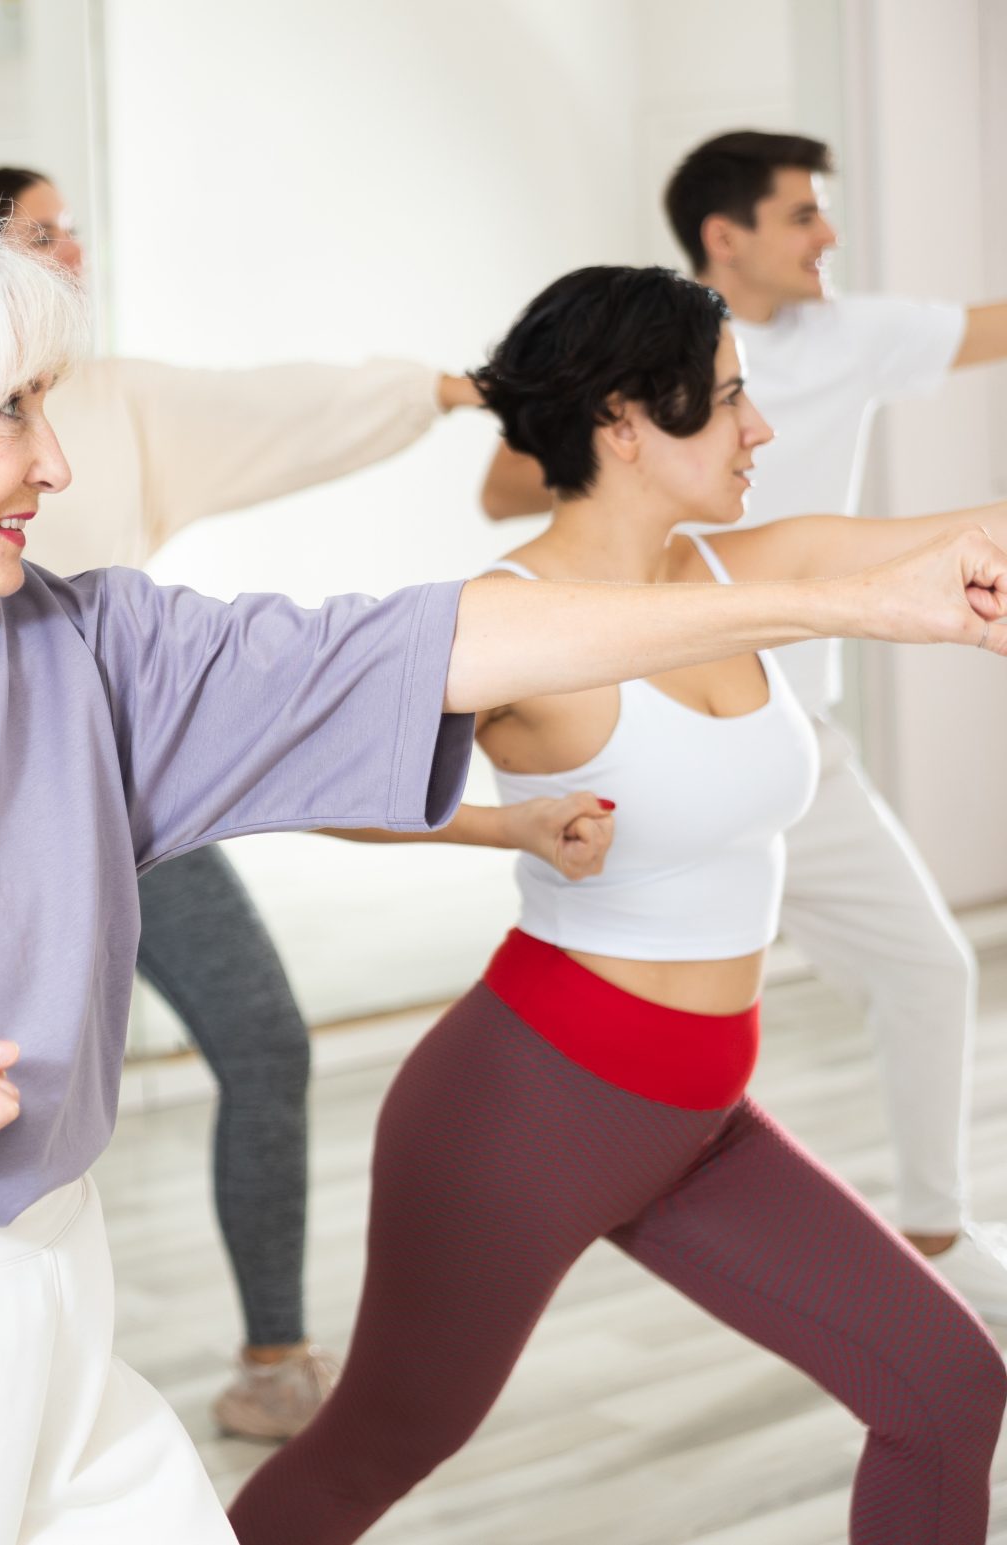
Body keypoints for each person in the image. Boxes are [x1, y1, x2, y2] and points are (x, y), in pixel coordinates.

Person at [0, 203, 1007, 1543]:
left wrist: (860, 600)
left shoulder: (92, 649)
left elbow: (450, 637)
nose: (56, 459)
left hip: (58, 1297)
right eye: (10, 411)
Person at [231, 265, 1007, 1545]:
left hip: (698, 1119)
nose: (759, 430)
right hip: (524, 1110)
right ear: (623, 422)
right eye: (728, 403)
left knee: (945, 1384)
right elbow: (300, 771)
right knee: (376, 1446)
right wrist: (499, 823)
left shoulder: (747, 570)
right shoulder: (507, 619)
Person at [0, 166, 499, 1437]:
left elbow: (279, 409)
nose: (71, 253)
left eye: (71, 232)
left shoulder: (119, 399)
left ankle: (271, 1359)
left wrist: (446, 389)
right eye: (41, 236)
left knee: (263, 1039)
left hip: (127, 817)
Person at [481, 131, 1007, 1317]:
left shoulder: (840, 358)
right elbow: (514, 498)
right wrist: (496, 829)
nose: (826, 235)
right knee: (405, 1417)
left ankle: (933, 1230)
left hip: (784, 747)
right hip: (576, 1029)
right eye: (800, 214)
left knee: (926, 968)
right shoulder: (518, 618)